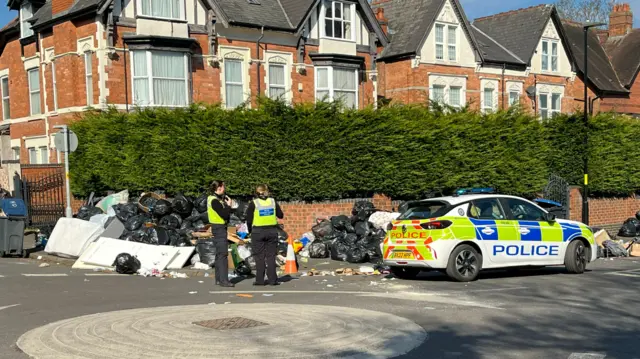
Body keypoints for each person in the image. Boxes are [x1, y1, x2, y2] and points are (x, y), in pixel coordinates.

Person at [246, 184, 284, 286]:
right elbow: (281, 215)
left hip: (258, 232)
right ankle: (273, 280)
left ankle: (260, 280)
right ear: (266, 191)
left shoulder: (254, 203)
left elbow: (248, 220)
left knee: (259, 257)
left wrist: (250, 231)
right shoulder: (272, 201)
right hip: (272, 231)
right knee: (271, 256)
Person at [207, 180, 235, 288]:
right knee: (223, 254)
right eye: (223, 187)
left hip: (218, 227)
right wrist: (228, 206)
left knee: (219, 254)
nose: (225, 188)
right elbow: (223, 214)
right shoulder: (214, 201)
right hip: (219, 228)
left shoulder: (214, 199)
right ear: (218, 188)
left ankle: (219, 279)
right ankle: (224, 281)